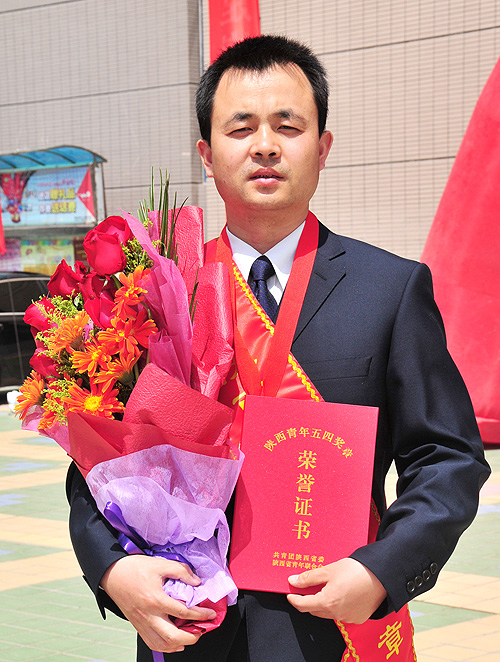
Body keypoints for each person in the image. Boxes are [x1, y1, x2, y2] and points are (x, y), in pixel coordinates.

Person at [67, 35, 490, 661]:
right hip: (187, 622)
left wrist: (381, 570)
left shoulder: (390, 290)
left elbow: (447, 458)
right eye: (241, 128)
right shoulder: (155, 292)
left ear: (322, 147)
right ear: (207, 155)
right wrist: (113, 569)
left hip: (332, 625)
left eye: (288, 127)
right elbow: (94, 457)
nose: (265, 145)